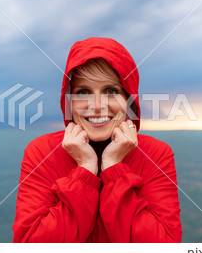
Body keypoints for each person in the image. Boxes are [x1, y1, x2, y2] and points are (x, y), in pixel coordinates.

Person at [12, 37, 182, 242]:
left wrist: (113, 169)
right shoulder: (41, 152)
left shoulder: (156, 154)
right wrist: (85, 170)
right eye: (83, 92)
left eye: (111, 91)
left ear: (129, 99)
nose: (98, 105)